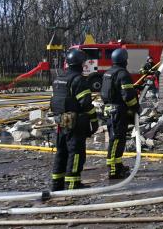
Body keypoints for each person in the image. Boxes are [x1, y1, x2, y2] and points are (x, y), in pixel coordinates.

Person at [50, 49, 99, 190]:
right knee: (76, 152)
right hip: (75, 122)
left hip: (60, 120)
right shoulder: (79, 80)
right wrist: (94, 121)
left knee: (61, 151)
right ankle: (73, 183)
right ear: (80, 64)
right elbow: (86, 104)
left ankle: (57, 183)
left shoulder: (59, 79)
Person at [101, 48, 140, 179]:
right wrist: (135, 107)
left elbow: (115, 90)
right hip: (118, 111)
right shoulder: (123, 74)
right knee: (117, 140)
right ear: (124, 60)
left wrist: (135, 89)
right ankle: (113, 169)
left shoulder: (108, 73)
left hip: (109, 109)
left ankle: (117, 166)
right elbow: (128, 96)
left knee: (117, 139)